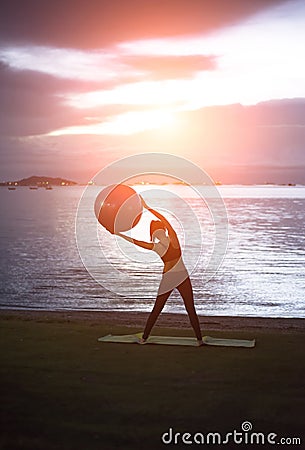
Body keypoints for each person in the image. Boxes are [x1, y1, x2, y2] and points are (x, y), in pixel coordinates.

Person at [113, 196, 203, 347]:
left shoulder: (168, 240)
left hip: (178, 277)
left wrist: (148, 208)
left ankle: (199, 339)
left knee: (188, 308)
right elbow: (138, 242)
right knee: (159, 309)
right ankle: (145, 338)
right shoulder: (160, 245)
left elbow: (162, 224)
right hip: (174, 278)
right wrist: (119, 234)